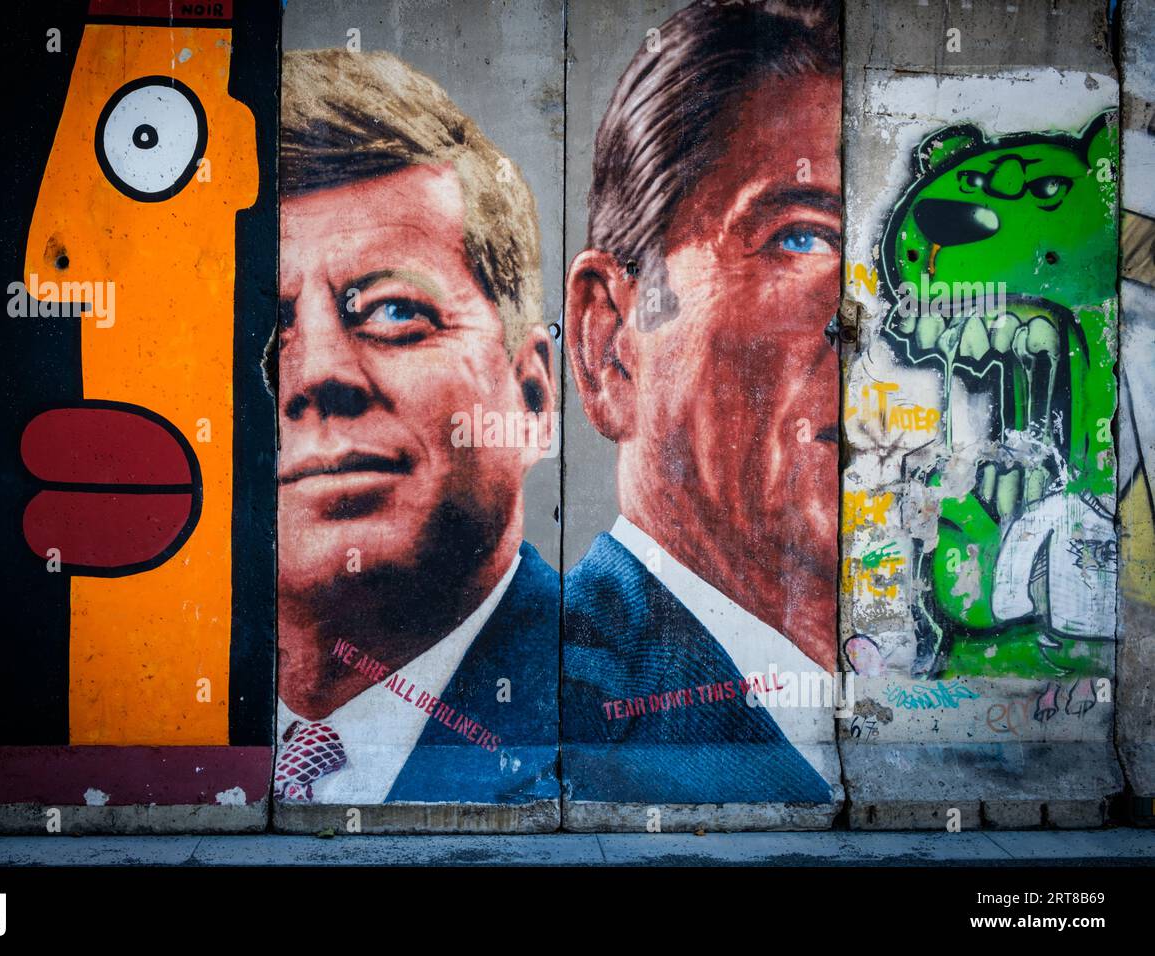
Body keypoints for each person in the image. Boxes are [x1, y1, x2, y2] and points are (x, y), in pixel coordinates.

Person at [563, 0, 843, 804]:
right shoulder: (544, 716)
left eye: (921, 247)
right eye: (803, 236)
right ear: (611, 341)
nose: (884, 310)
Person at [275, 49, 559, 805]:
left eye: (396, 311)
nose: (313, 376)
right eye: (259, 330)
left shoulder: (664, 731)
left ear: (533, 398)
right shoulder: (106, 707)